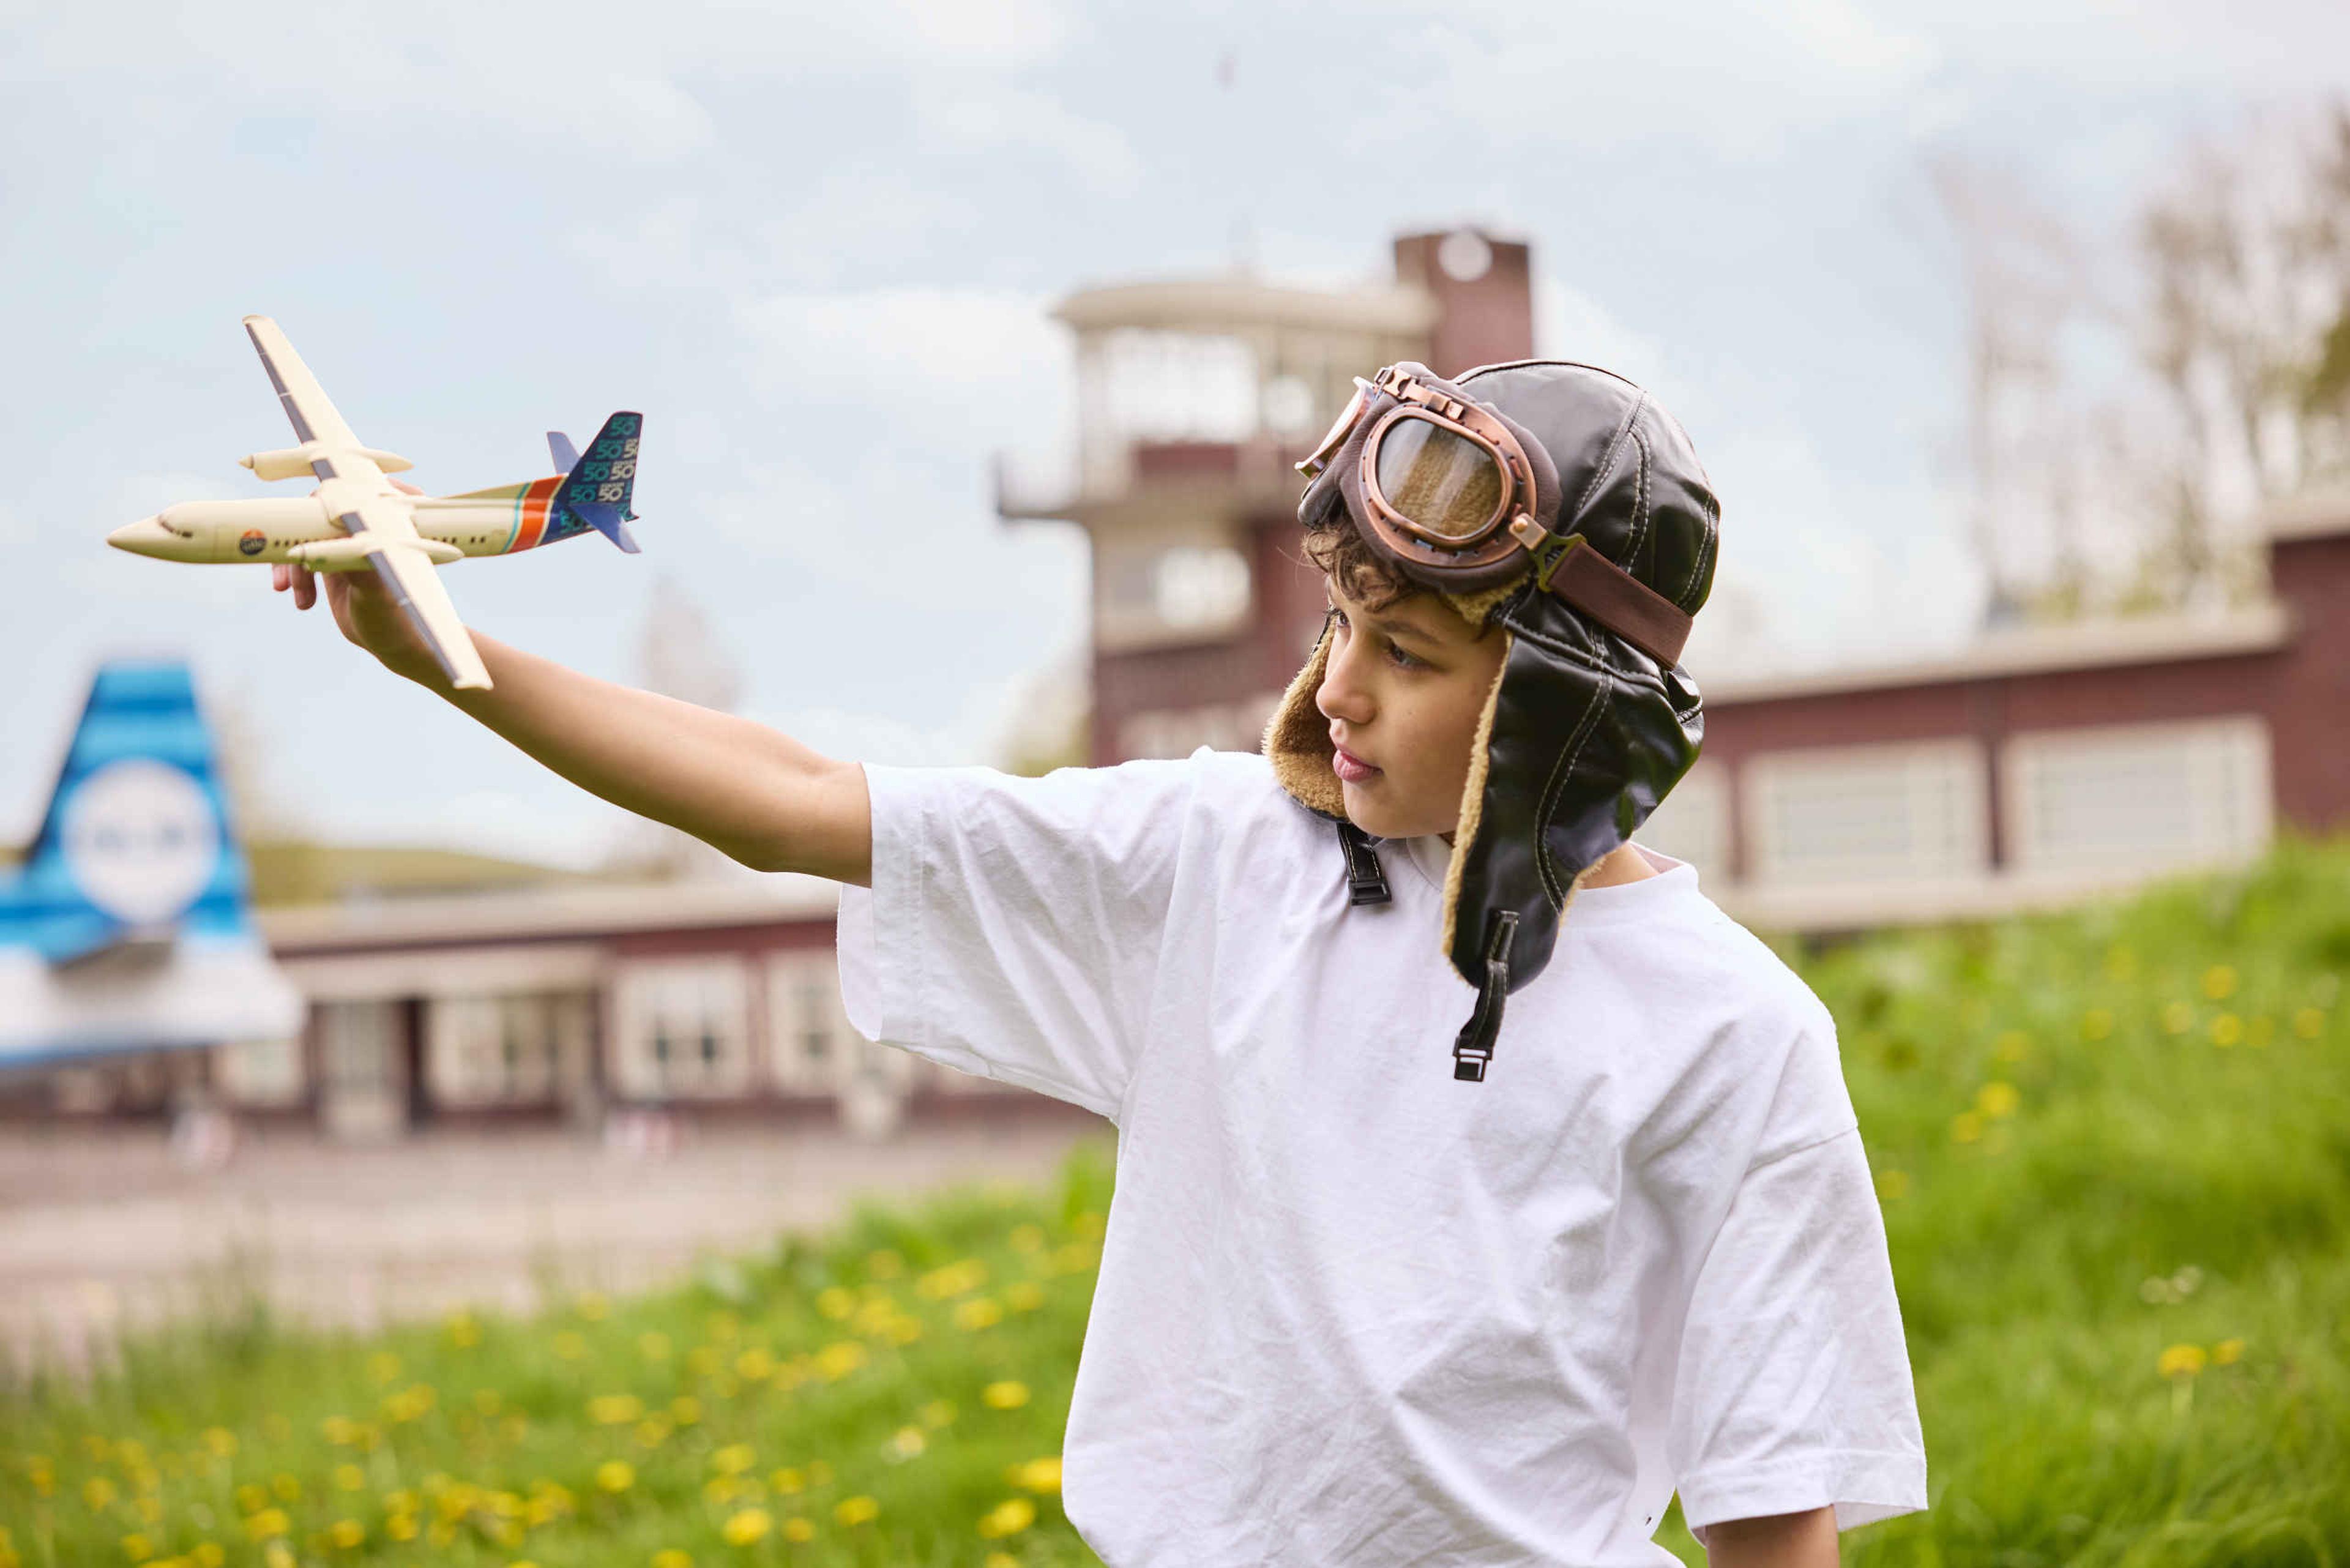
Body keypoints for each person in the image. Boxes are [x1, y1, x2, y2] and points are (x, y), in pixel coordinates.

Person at [273, 357, 1927, 1566]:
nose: (1337, 689)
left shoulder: (1738, 1037)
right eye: (1340, 624)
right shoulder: (1217, 860)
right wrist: (445, 655)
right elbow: (797, 803)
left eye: (1411, 654)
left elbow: (1770, 1510)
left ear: (1575, 720)